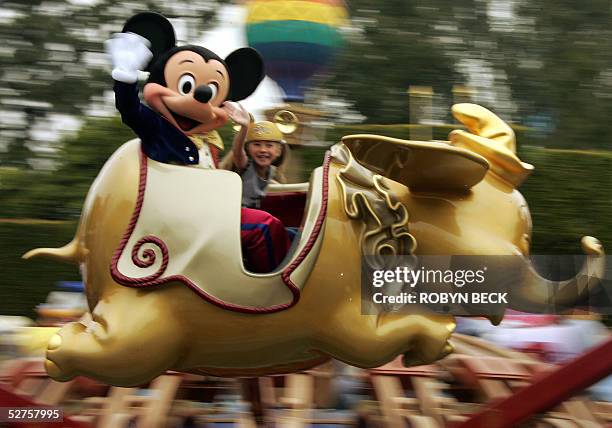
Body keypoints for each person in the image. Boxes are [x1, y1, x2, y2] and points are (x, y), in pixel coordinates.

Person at [224, 103, 288, 208]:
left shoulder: (271, 172)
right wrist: (244, 127)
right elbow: (237, 151)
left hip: (256, 215)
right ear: (248, 148)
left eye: (269, 145)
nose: (263, 150)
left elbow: (267, 182)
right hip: (238, 214)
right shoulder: (245, 165)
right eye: (257, 145)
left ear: (278, 151)